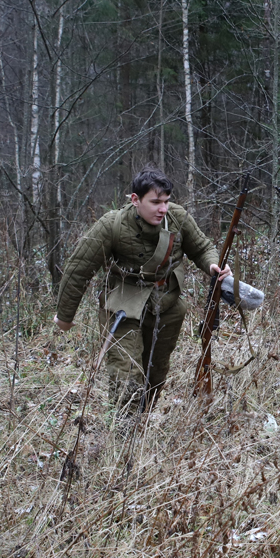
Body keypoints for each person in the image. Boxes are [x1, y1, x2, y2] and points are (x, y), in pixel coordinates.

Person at [54, 168, 231, 419]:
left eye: (167, 201)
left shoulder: (177, 218)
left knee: (155, 372)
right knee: (126, 375)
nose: (163, 209)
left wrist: (213, 264)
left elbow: (202, 248)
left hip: (166, 305)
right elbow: (78, 269)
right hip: (123, 307)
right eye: (155, 202)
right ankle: (125, 436)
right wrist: (65, 316)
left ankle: (142, 422)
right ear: (135, 200)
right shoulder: (111, 224)